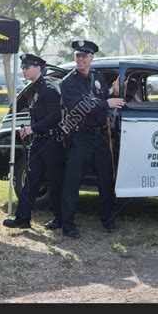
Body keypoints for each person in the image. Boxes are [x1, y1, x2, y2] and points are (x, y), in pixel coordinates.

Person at [60, 40, 125, 239]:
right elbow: (80, 106)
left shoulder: (98, 77)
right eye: (77, 56)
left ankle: (108, 219)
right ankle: (68, 225)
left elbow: (99, 98)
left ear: (91, 58)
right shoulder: (68, 82)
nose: (80, 59)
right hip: (81, 137)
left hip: (100, 137)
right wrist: (107, 102)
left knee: (106, 180)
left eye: (84, 56)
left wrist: (111, 93)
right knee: (73, 182)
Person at [3, 53, 65, 230]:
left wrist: (32, 128)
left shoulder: (47, 88)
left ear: (38, 68)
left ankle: (60, 219)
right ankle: (22, 219)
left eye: (27, 67)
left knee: (56, 181)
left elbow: (55, 116)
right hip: (38, 141)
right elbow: (16, 107)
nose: (23, 70)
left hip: (52, 141)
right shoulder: (32, 89)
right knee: (31, 181)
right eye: (22, 67)